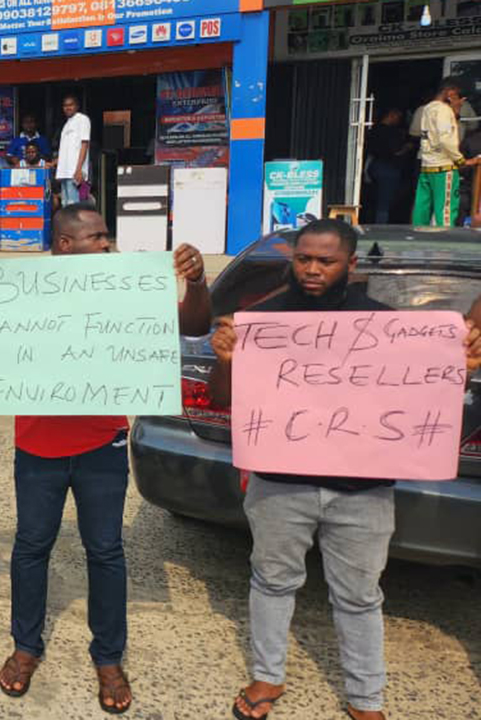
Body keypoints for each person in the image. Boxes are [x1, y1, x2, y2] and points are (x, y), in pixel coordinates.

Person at [0, 203, 212, 710]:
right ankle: (26, 647)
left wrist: (196, 283)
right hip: (36, 449)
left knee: (105, 551)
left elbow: (194, 325)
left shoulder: (125, 285)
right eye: (99, 237)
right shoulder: (20, 288)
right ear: (66, 244)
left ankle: (108, 657)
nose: (108, 244)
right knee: (31, 548)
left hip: (102, 444)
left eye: (107, 236)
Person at [210, 218, 481, 720]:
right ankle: (268, 675)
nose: (312, 270)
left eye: (325, 261)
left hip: (363, 493)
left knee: (359, 597)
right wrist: (225, 360)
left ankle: (365, 698)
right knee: (272, 582)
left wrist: (454, 372)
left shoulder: (386, 326)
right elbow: (224, 399)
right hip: (278, 486)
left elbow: (423, 400)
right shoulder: (261, 322)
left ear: (351, 264)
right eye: (303, 259)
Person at [413, 77, 481, 227]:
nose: (459, 100)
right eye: (457, 95)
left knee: (422, 206)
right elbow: (446, 139)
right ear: (450, 93)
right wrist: (461, 160)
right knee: (446, 208)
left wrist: (455, 112)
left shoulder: (428, 108)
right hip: (444, 168)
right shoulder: (444, 110)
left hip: (427, 164)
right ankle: (445, 237)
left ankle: (418, 233)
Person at [365, 108, 412, 224]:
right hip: (388, 168)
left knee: (375, 198)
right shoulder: (392, 132)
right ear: (391, 115)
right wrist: (407, 147)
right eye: (398, 117)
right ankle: (381, 226)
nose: (398, 120)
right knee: (385, 201)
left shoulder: (373, 129)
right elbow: (396, 151)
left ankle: (370, 221)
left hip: (374, 165)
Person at [56, 96, 92, 207]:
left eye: (71, 105)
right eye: (65, 105)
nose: (68, 108)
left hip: (75, 173)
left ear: (77, 106)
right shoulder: (66, 125)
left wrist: (79, 170)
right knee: (65, 206)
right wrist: (55, 165)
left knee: (74, 207)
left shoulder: (82, 119)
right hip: (65, 173)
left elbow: (84, 145)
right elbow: (66, 152)